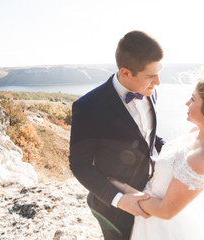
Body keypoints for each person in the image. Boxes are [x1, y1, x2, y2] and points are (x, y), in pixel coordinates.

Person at [111, 73, 204, 239]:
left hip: (164, 226)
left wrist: (123, 189)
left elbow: (166, 210)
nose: (186, 103)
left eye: (193, 99)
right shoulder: (198, 133)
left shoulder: (202, 158)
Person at [69, 31, 165, 240]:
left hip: (153, 193)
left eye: (159, 72)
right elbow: (80, 165)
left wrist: (174, 151)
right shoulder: (88, 107)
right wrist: (119, 200)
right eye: (150, 76)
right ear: (125, 72)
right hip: (113, 208)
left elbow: (147, 135)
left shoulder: (151, 91)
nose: (157, 82)